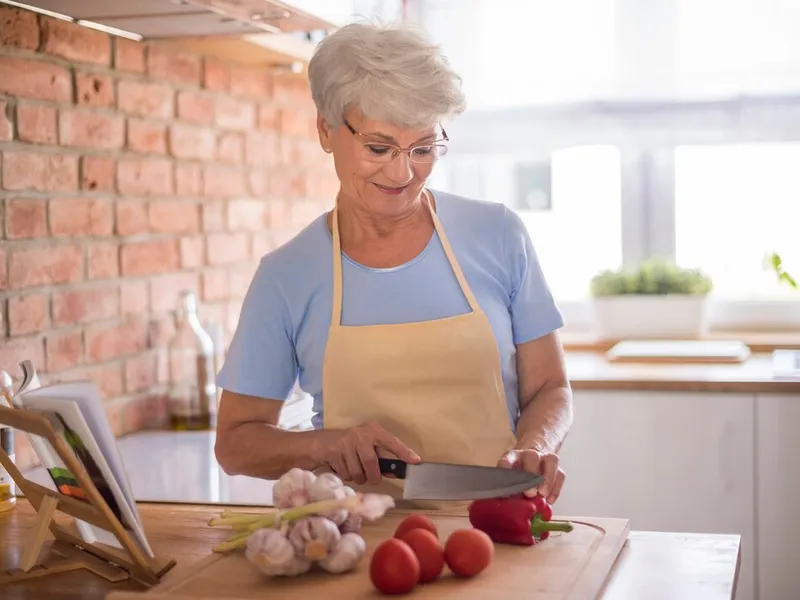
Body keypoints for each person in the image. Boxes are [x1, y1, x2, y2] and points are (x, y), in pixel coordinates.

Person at [214, 21, 573, 508]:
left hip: (500, 526)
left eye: (423, 148)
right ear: (326, 129)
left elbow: (550, 387)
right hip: (360, 550)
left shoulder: (499, 234)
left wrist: (534, 447)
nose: (403, 173)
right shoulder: (286, 276)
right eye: (379, 148)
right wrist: (325, 445)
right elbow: (236, 443)